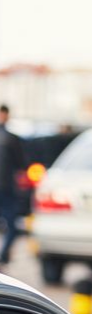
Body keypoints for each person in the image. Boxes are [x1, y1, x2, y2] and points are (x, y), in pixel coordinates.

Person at [0, 106, 26, 267]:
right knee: (12, 224)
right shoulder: (11, 139)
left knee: (12, 224)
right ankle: (3, 255)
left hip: (7, 188)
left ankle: (3, 255)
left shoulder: (11, 139)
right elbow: (21, 164)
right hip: (7, 188)